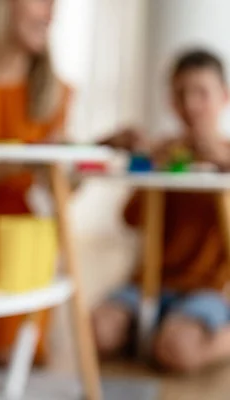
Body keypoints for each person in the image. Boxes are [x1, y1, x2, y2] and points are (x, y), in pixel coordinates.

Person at [0, 0, 138, 364]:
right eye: (41, 1)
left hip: (14, 235)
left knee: (9, 353)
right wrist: (29, 153)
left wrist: (88, 155)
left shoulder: (55, 90)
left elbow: (57, 190)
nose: (52, 12)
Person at [93, 49, 230, 373]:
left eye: (201, 93)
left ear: (224, 97)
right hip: (150, 282)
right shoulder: (165, 152)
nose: (191, 105)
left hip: (207, 288)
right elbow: (130, 218)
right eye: (181, 93)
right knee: (96, 332)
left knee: (177, 352)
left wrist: (221, 164)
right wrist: (147, 168)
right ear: (171, 101)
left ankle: (184, 333)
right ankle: (153, 328)